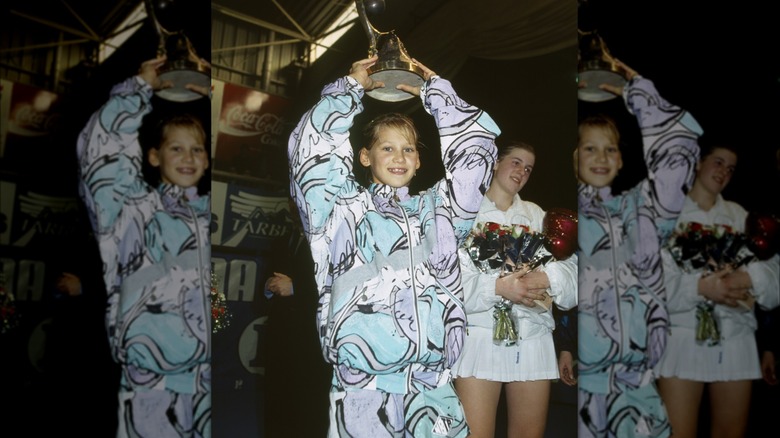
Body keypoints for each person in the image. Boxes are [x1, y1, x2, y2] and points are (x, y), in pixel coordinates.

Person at [286, 55, 499, 437]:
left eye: (408, 149)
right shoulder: (339, 212)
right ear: (364, 156)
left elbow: (476, 160)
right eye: (387, 148)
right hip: (363, 392)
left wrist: (439, 94)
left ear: (419, 161)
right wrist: (349, 90)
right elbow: (310, 155)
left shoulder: (442, 212)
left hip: (433, 390)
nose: (399, 157)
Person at [76, 55, 212, 437]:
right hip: (150, 381)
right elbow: (101, 155)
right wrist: (137, 90)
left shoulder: (209, 217)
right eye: (176, 148)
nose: (188, 157)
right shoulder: (130, 211)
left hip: (205, 384)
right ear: (154, 156)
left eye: (197, 149)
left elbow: (214, 298)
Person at [576, 59, 701, 438]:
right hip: (586, 391)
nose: (601, 158)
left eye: (610, 149)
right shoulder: (565, 220)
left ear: (621, 158)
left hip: (638, 386)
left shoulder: (642, 208)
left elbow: (678, 155)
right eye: (590, 148)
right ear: (574, 157)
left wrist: (638, 91)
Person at [450, 140, 578, 438]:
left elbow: (574, 280)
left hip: (532, 337)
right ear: (494, 162)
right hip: (479, 337)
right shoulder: (464, 213)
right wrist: (498, 288)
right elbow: (449, 285)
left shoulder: (540, 217)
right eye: (516, 162)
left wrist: (548, 279)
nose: (522, 171)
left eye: (529, 168)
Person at [655, 140, 780, 438]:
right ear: (698, 163)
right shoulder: (667, 213)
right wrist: (700, 287)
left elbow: (774, 281)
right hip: (681, 335)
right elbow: (652, 283)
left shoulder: (742, 217)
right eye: (718, 162)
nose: (724, 171)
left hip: (735, 335)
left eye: (731, 168)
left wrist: (747, 280)